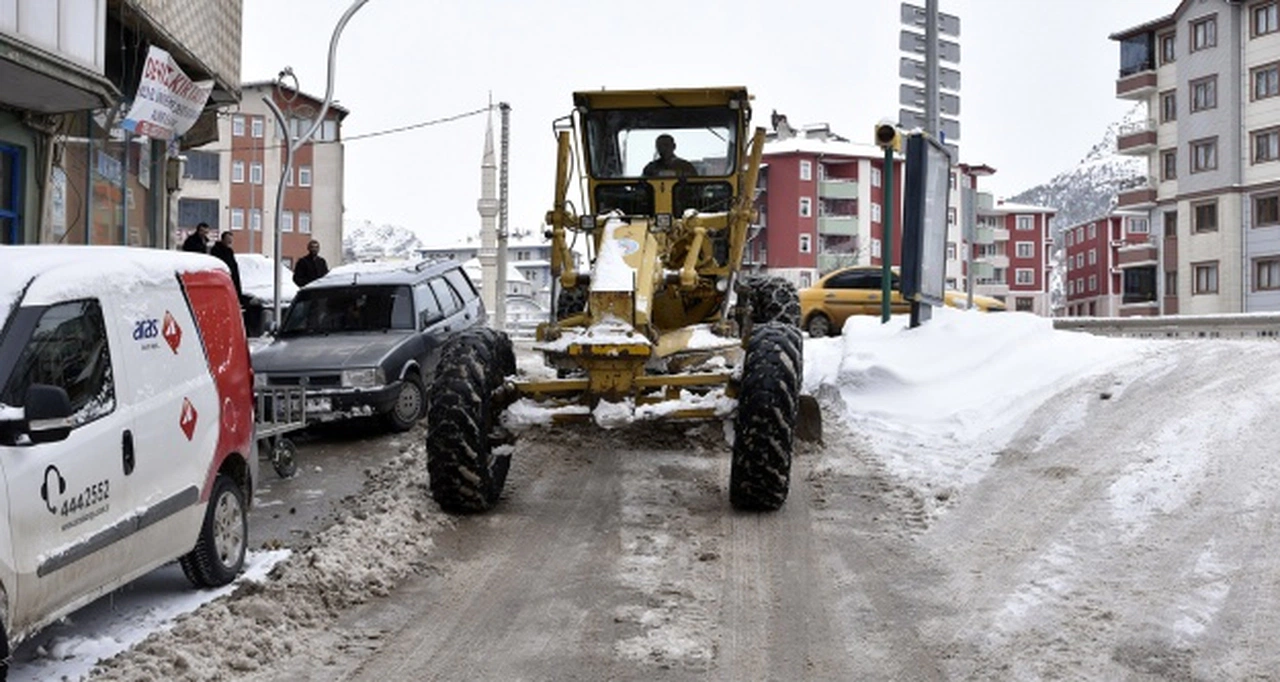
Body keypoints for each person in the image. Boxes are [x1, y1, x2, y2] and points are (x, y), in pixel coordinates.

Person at [208, 230, 243, 300]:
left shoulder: (229, 251)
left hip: (231, 279)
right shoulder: (216, 250)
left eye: (231, 239)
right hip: (222, 279)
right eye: (228, 239)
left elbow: (234, 266)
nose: (230, 241)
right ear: (223, 239)